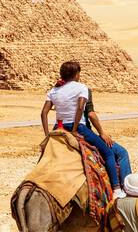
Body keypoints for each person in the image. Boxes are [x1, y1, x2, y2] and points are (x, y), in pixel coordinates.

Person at [39, 60, 124, 198]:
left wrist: (47, 135)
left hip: (58, 127)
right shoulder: (81, 88)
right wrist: (74, 129)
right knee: (108, 152)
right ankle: (116, 189)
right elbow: (80, 108)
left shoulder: (53, 91)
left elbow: (43, 113)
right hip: (78, 127)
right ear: (77, 74)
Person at [83, 92, 132, 184]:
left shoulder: (57, 89)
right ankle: (124, 187)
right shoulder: (83, 89)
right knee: (121, 153)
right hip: (84, 131)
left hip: (60, 128)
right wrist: (102, 133)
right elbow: (91, 115)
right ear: (77, 76)